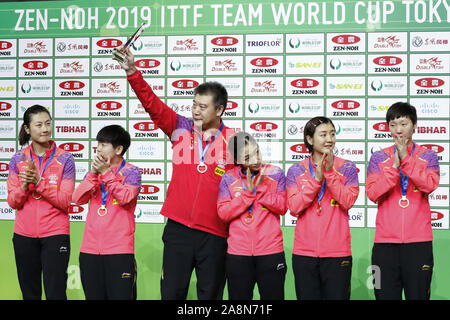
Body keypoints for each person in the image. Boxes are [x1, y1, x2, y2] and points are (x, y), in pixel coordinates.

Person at [115, 46, 236, 300]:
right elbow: (153, 106)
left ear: (220, 110)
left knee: (210, 296)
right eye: (193, 104)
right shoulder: (180, 128)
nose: (195, 111)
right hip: (178, 229)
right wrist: (132, 72)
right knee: (171, 293)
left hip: (215, 234)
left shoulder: (235, 142)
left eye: (203, 107)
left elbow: (245, 188)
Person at [366, 102, 439, 300]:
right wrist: (392, 170)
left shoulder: (428, 156)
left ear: (414, 125)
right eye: (392, 124)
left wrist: (406, 159)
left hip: (419, 243)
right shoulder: (378, 158)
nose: (398, 129)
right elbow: (372, 193)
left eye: (404, 123)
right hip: (384, 244)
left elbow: (429, 185)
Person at [286, 116, 359, 300]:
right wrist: (317, 180)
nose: (329, 139)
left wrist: (329, 173)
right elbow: (294, 207)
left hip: (337, 253)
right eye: (323, 134)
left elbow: (348, 201)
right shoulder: (296, 170)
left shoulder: (348, 167)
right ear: (310, 140)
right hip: (304, 254)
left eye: (333, 134)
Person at [7, 105, 75, 300]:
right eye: (38, 125)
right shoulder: (18, 159)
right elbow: (12, 201)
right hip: (23, 234)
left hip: (55, 233)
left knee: (55, 293)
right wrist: (24, 186)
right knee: (29, 293)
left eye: (48, 123)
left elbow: (65, 201)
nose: (45, 129)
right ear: (27, 129)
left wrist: (39, 183)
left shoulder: (65, 159)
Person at [72, 125, 141, 300]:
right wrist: (94, 175)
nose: (98, 148)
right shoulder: (94, 174)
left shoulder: (131, 171)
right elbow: (77, 198)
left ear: (118, 149)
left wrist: (106, 173)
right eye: (98, 144)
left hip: (119, 251)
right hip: (89, 250)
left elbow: (126, 197)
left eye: (104, 144)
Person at [217, 132, 287, 300]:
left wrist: (261, 189)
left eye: (257, 152)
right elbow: (223, 213)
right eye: (248, 157)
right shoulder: (228, 178)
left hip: (271, 252)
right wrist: (247, 195)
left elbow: (283, 207)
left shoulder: (275, 173)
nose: (256, 159)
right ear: (237, 160)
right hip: (238, 254)